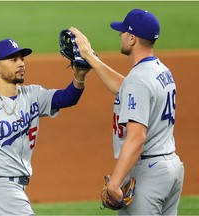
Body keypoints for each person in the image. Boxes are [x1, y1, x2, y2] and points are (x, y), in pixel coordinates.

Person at [0, 38, 89, 215]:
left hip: (13, 188)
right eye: (13, 60)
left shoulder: (32, 95)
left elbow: (66, 98)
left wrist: (79, 76)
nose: (21, 64)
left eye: (22, 59)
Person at [70, 8, 184, 215]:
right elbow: (127, 87)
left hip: (148, 171)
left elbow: (137, 137)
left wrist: (114, 183)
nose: (119, 35)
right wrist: (91, 58)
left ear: (132, 39)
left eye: (123, 32)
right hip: (171, 168)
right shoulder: (160, 70)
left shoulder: (138, 80)